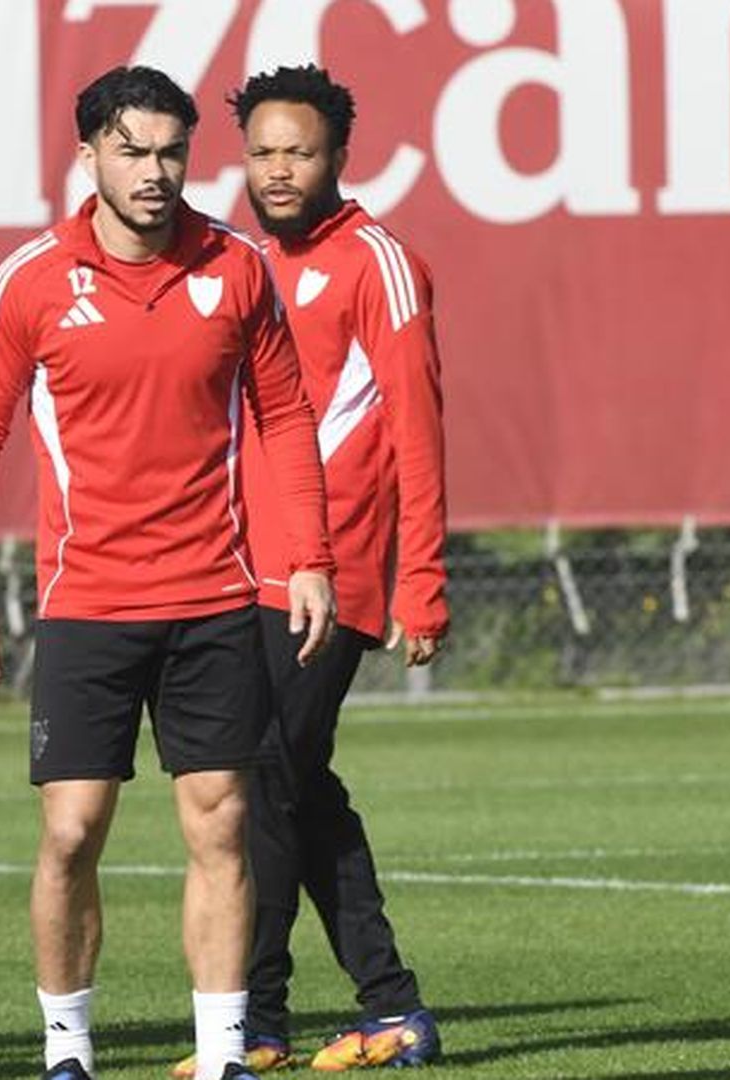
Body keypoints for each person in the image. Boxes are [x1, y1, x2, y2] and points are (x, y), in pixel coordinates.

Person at [0, 66, 338, 1080]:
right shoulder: (31, 279)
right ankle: (67, 1048)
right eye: (133, 151)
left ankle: (221, 1056)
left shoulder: (236, 268)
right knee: (72, 833)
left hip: (213, 597)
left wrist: (309, 559)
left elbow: (287, 419)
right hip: (88, 606)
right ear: (89, 156)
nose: (155, 173)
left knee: (224, 821)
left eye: (171, 152)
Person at [174, 65, 449, 1075]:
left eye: (299, 151)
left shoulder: (376, 260)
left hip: (342, 573)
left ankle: (259, 1015)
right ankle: (389, 1006)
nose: (278, 170)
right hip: (246, 570)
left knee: (266, 778)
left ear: (339, 156)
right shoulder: (241, 261)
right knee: (288, 780)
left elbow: (419, 434)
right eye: (261, 152)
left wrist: (423, 581)